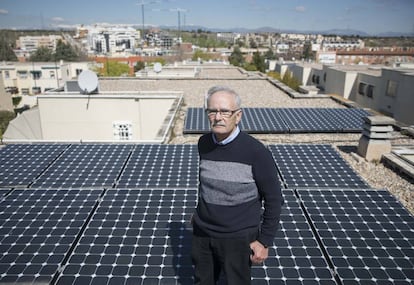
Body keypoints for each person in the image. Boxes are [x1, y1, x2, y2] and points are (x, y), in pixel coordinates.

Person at [191, 86, 284, 285]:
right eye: (212, 111)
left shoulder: (256, 152)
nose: (218, 117)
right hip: (203, 234)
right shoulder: (204, 143)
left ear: (238, 116)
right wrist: (199, 212)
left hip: (238, 238)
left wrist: (264, 241)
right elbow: (205, 184)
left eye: (225, 111)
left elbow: (274, 200)